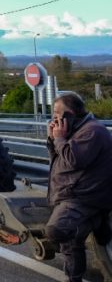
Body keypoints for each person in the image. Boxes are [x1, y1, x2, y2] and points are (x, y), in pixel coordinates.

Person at [44, 92, 112, 282]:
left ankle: (95, 222)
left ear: (70, 113)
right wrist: (53, 139)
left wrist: (59, 138)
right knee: (72, 241)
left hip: (84, 196)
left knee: (57, 230)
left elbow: (74, 160)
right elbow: (59, 161)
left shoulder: (92, 131)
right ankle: (74, 278)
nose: (54, 118)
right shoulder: (75, 130)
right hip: (71, 193)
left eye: (58, 114)